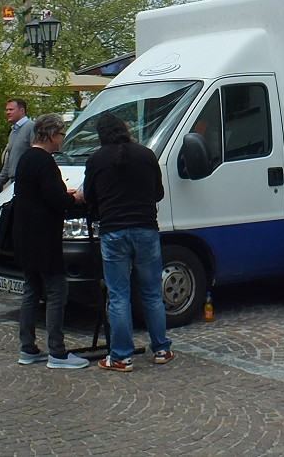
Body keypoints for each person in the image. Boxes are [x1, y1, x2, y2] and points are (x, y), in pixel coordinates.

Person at [84, 112, 173, 372]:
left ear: (101, 135)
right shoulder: (146, 155)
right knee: (151, 293)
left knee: (119, 295)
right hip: (146, 229)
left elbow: (90, 196)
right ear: (125, 129)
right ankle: (162, 349)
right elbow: (158, 193)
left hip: (113, 232)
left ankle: (121, 356)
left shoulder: (96, 159)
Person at [13, 113, 88, 369]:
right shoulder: (45, 162)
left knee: (31, 290)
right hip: (44, 237)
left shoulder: (25, 159)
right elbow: (55, 199)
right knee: (57, 290)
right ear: (52, 134)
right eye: (62, 135)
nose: (62, 140)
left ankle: (28, 347)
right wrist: (74, 198)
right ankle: (57, 351)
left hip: (26, 236)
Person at [0, 98, 35, 186]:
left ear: (22, 110)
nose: (8, 112)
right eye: (7, 110)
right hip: (14, 180)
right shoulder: (13, 131)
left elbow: (36, 154)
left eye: (11, 109)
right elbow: (9, 158)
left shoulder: (31, 127)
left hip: (26, 180)